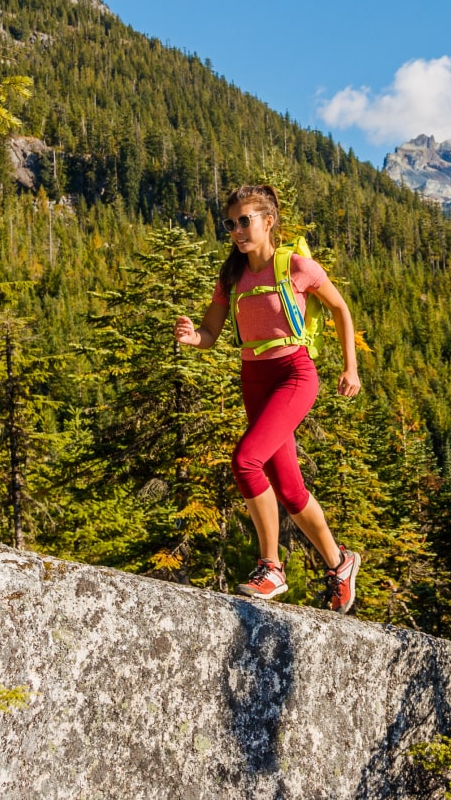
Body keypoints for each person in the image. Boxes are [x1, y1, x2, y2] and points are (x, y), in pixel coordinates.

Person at [173, 184, 362, 611]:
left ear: (268, 221)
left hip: (294, 374)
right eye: (230, 223)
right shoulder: (231, 277)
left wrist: (350, 368)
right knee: (290, 489)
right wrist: (191, 337)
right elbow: (210, 335)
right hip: (253, 377)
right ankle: (340, 562)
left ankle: (271, 568)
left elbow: (340, 309)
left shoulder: (295, 266)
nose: (237, 230)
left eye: (245, 221)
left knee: (245, 461)